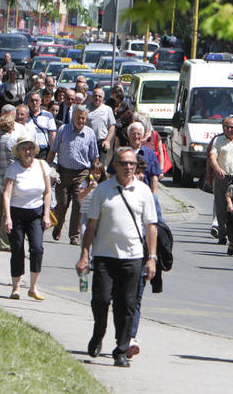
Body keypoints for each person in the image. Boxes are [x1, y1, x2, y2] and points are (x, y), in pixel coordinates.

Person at [75, 147, 158, 368]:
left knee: (127, 305)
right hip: (104, 255)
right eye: (124, 163)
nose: (128, 167)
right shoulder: (103, 190)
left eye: (132, 164)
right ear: (115, 166)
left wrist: (151, 257)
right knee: (101, 300)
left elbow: (151, 226)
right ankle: (99, 331)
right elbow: (91, 225)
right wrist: (84, 255)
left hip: (133, 257)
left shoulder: (143, 191)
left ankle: (121, 350)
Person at [2, 135, 51, 300]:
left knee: (37, 248)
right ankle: (16, 288)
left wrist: (46, 215)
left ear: (34, 150)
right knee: (17, 249)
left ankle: (33, 287)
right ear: (19, 151)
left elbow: (48, 192)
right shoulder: (13, 168)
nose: (27, 151)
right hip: (16, 213)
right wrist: (7, 217)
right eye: (24, 148)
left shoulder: (42, 166)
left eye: (30, 148)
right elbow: (7, 194)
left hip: (35, 213)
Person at [48, 105, 99, 245]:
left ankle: (74, 235)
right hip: (64, 172)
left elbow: (94, 157)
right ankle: (58, 226)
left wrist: (95, 175)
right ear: (73, 117)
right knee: (62, 204)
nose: (81, 121)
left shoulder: (90, 133)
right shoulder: (63, 130)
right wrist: (47, 167)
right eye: (78, 118)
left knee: (78, 203)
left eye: (83, 118)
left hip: (82, 173)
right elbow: (53, 150)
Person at [0, 110, 20, 251]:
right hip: (8, 180)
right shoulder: (12, 141)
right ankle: (4, 243)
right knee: (5, 213)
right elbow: (15, 160)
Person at [86, 88, 116, 165]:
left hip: (101, 143)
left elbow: (112, 126)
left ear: (103, 98)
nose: (97, 98)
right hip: (87, 142)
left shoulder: (108, 109)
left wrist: (107, 141)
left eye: (100, 96)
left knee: (100, 166)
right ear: (92, 96)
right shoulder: (85, 108)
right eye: (95, 95)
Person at [25, 90, 56, 159]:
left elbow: (52, 135)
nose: (34, 103)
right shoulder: (24, 116)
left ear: (41, 101)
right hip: (28, 151)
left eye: (36, 100)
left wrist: (52, 152)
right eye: (32, 101)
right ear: (28, 102)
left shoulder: (48, 115)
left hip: (43, 152)